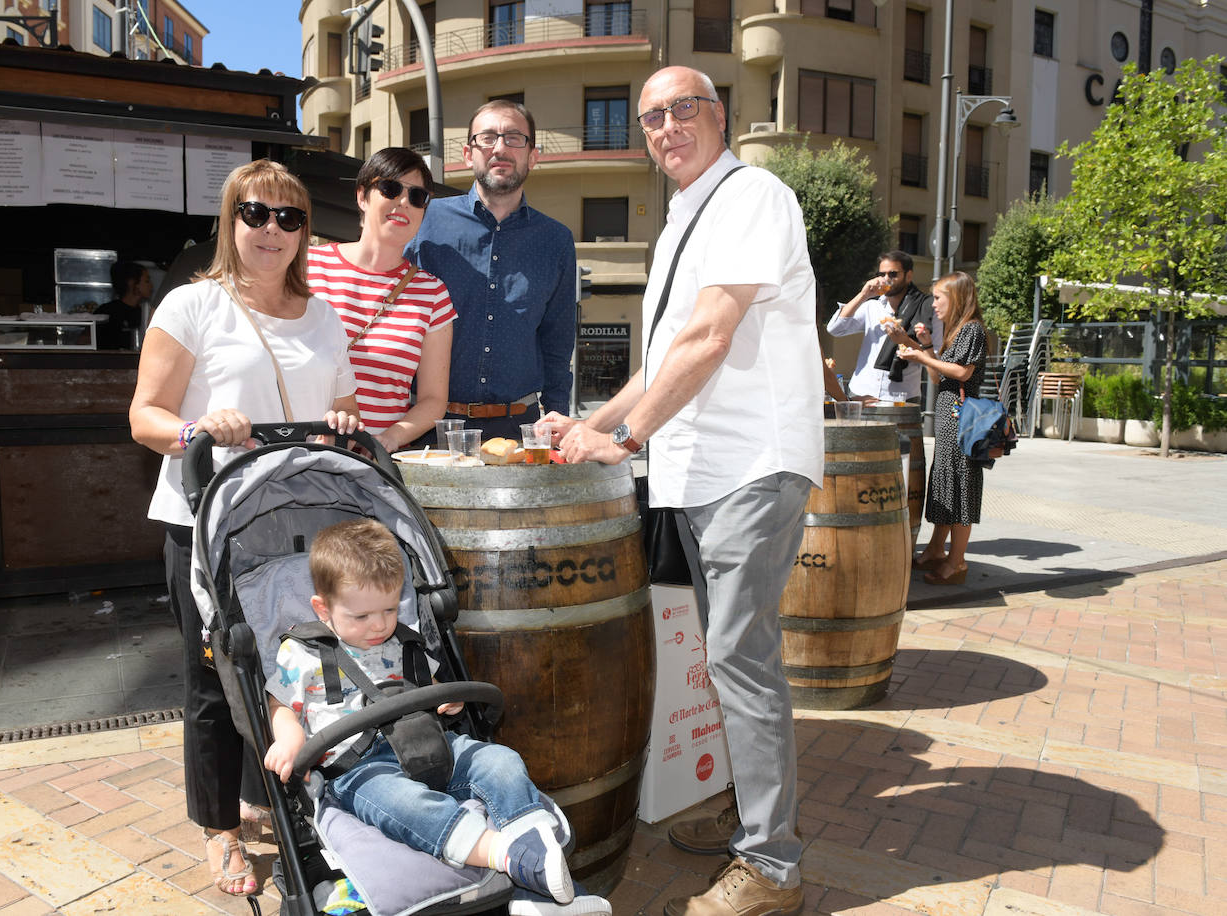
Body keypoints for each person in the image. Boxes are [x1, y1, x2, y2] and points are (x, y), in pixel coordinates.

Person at [538, 66, 823, 916]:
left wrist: (622, 438)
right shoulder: (680, 225)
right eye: (651, 117)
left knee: (740, 657)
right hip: (699, 474)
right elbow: (662, 364)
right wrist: (590, 419)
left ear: (719, 116)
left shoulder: (751, 197)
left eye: (682, 109)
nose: (665, 127)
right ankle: (753, 821)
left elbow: (707, 336)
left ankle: (771, 866)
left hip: (750, 466)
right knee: (729, 658)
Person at [129, 158, 361, 898]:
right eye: (256, 213)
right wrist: (200, 426)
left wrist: (343, 424)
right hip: (205, 524)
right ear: (230, 221)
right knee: (213, 677)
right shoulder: (192, 306)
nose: (272, 229)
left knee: (289, 670)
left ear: (304, 231)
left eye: (289, 217)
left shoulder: (323, 315)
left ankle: (273, 796)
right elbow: (144, 416)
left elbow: (342, 404)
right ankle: (220, 829)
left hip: (294, 522)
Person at [263, 519, 611, 916]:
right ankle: (506, 856)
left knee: (499, 760)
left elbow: (429, 682)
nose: (379, 625)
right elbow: (280, 703)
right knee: (408, 805)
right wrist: (289, 737)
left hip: (429, 743)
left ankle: (534, 869)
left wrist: (447, 700)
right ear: (323, 608)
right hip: (361, 768)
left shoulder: (404, 640)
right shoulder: (304, 653)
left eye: (390, 609)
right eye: (361, 617)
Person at [404, 99, 577, 441]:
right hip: (431, 427)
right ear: (469, 154)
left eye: (514, 138)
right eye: (488, 138)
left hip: (522, 430)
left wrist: (558, 418)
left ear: (533, 155)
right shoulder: (425, 221)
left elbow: (557, 341)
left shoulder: (556, 240)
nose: (500, 148)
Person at [307, 148, 455, 454]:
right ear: (362, 196)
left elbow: (433, 400)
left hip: (373, 469)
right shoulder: (306, 267)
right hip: (297, 454)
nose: (404, 202)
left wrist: (385, 440)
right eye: (390, 188)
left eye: (417, 197)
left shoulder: (432, 293)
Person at [898, 271, 988, 586]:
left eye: (938, 297)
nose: (933, 304)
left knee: (961, 490)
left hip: (961, 423)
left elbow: (962, 372)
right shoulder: (956, 330)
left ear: (956, 298)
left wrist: (923, 356)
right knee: (947, 486)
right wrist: (928, 349)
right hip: (950, 422)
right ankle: (937, 551)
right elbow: (941, 377)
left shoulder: (973, 330)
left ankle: (957, 563)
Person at [824, 251, 941, 403]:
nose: (886, 279)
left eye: (893, 274)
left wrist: (905, 341)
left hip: (902, 396)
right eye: (882, 274)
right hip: (862, 392)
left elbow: (934, 359)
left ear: (909, 275)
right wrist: (863, 295)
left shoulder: (927, 308)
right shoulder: (872, 306)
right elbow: (835, 329)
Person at [96, 261, 151, 349]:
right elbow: (86, 341)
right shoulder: (106, 312)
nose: (151, 286)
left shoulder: (146, 313)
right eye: (147, 281)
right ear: (132, 283)